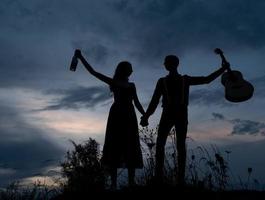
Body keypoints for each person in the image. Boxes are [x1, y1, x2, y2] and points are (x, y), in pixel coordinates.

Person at [140, 55, 229, 185]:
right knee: (170, 146)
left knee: (171, 145)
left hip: (175, 113)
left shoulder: (177, 80)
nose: (165, 64)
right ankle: (166, 179)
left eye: (166, 63)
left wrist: (222, 70)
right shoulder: (171, 81)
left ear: (170, 64)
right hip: (174, 113)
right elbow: (207, 80)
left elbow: (207, 80)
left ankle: (171, 179)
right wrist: (146, 116)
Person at [74, 49, 144, 189]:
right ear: (124, 70)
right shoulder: (114, 82)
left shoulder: (132, 85)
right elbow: (93, 72)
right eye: (129, 68)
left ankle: (131, 183)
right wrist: (80, 58)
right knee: (114, 146)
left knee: (130, 146)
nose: (132, 70)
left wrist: (145, 114)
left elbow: (136, 102)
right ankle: (113, 185)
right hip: (117, 116)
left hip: (130, 117)